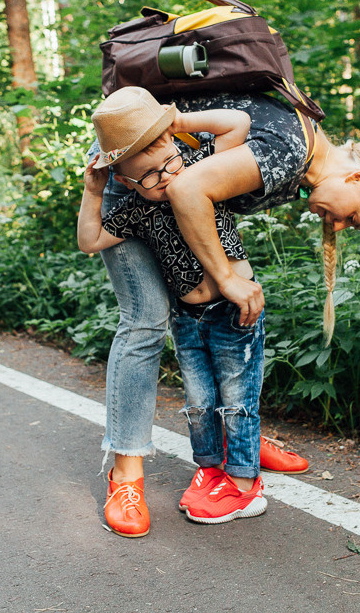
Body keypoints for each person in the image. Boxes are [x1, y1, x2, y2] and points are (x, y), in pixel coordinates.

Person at [93, 89, 360, 536]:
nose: (338, 226)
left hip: (165, 158)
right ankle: (125, 476)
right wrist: (224, 278)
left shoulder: (303, 159)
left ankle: (237, 432)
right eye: (353, 219)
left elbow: (211, 200)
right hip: (136, 164)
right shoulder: (291, 150)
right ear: (359, 179)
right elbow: (189, 187)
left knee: (229, 333)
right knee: (146, 320)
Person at [78, 87, 272, 534]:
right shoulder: (134, 211)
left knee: (237, 398)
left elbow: (237, 125)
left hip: (233, 310)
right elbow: (90, 241)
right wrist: (94, 189)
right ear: (124, 181)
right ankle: (210, 468)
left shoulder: (200, 167)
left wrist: (173, 123)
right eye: (147, 176)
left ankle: (244, 480)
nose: (165, 179)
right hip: (189, 318)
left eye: (169, 163)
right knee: (201, 403)